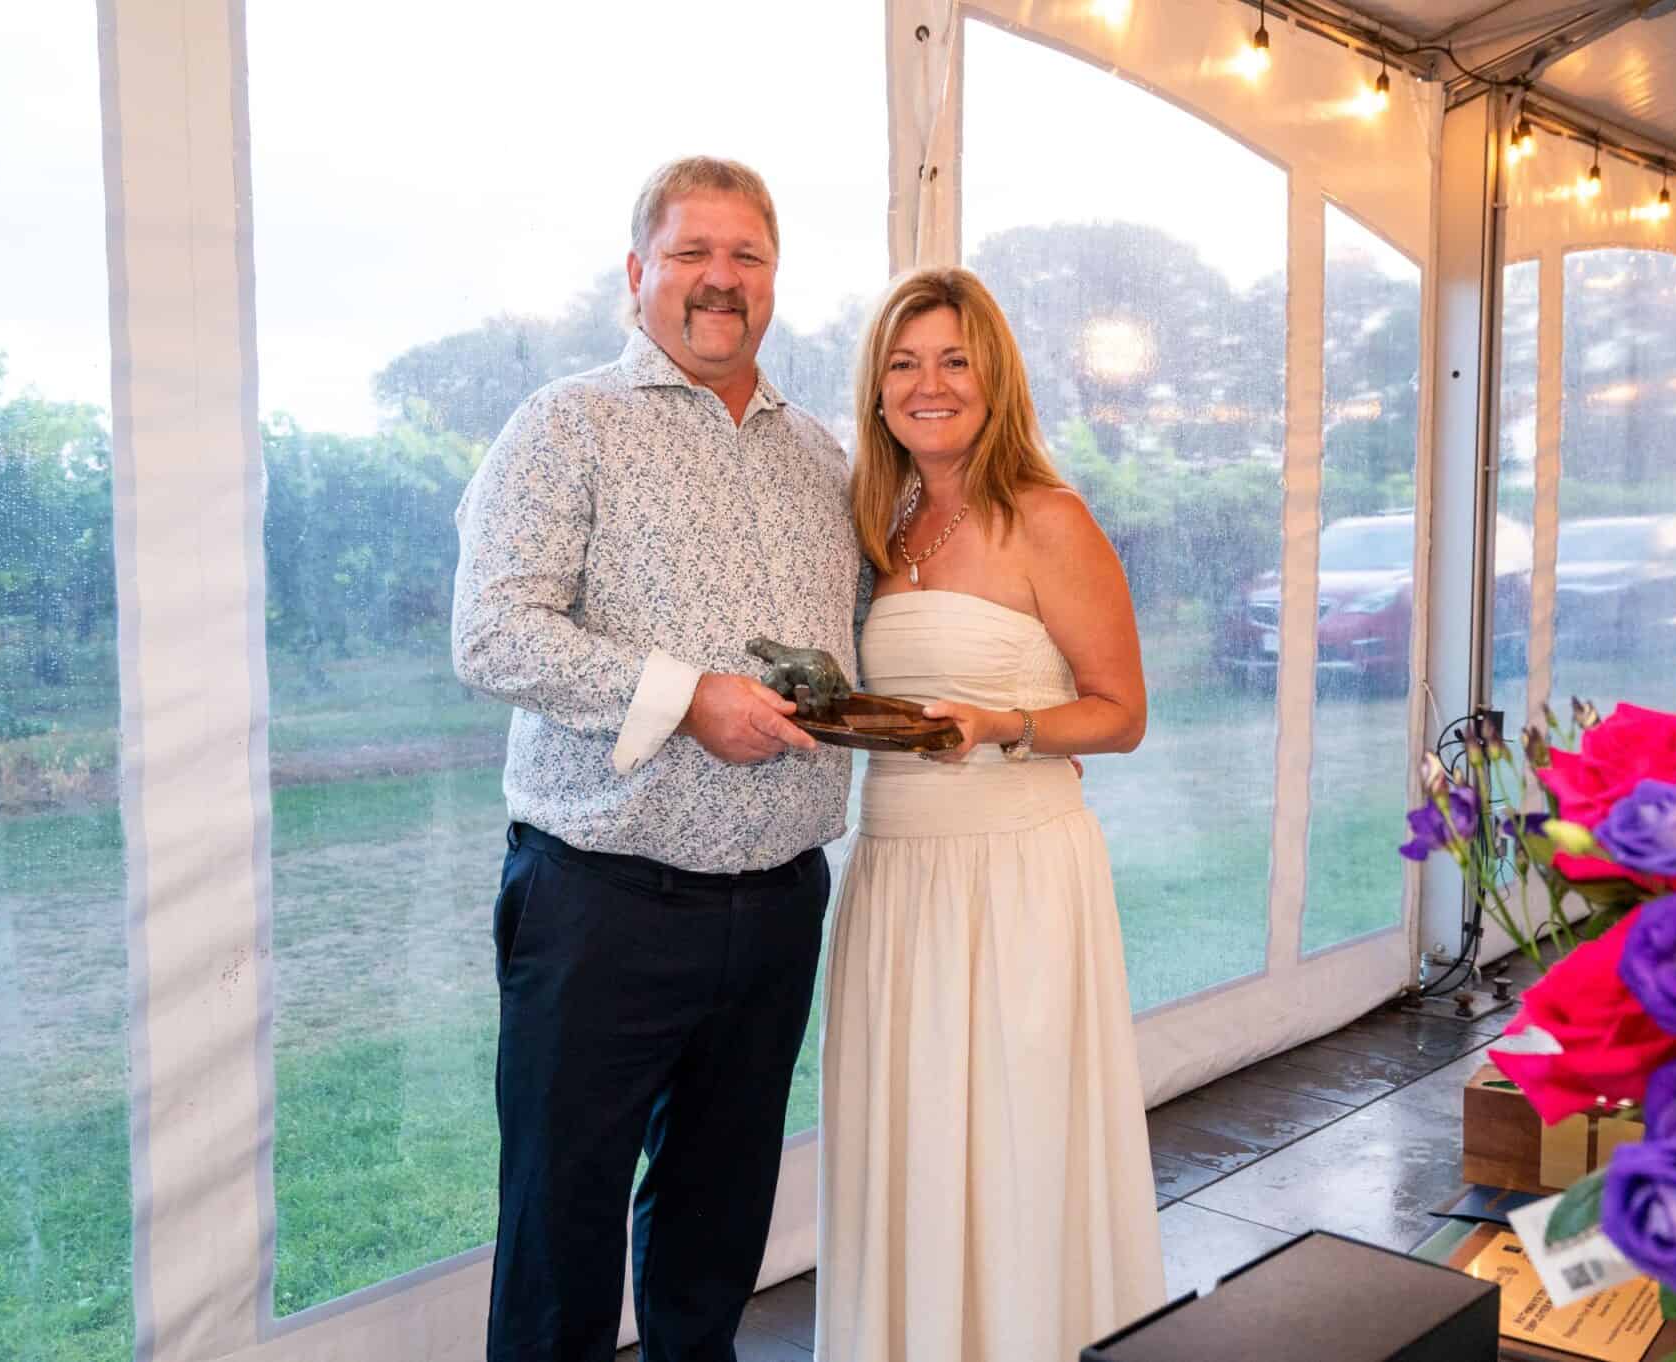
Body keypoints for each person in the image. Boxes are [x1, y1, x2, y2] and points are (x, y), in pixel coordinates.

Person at [452, 156, 861, 1362]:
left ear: (774, 280)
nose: (718, 280)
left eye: (745, 257)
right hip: (601, 905)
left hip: (780, 900)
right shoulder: (565, 425)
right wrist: (685, 700)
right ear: (638, 276)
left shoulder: (821, 459)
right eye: (691, 254)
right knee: (556, 1228)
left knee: (715, 1225)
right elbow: (490, 633)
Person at [816, 268, 1165, 1361]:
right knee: (906, 1139)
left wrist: (1002, 723)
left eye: (953, 360)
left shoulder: (1047, 518)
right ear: (876, 393)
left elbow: (1120, 716)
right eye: (903, 363)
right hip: (896, 871)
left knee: (1015, 1139)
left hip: (1014, 874)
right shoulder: (880, 524)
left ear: (993, 379)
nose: (928, 384)